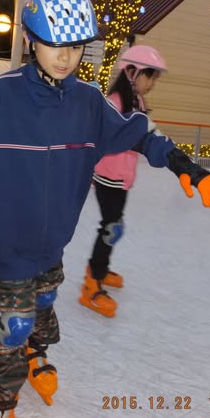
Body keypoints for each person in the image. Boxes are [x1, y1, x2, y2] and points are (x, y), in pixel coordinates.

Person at [0, 0, 210, 418]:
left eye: (75, 47)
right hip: (9, 242)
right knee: (16, 323)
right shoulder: (3, 94)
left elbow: (138, 131)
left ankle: (36, 353)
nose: (66, 57)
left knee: (44, 305)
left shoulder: (89, 102)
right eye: (54, 45)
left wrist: (184, 165)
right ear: (31, 40)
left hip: (54, 241)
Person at [79, 45, 167, 318]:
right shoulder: (115, 102)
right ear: (132, 72)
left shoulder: (137, 101)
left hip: (122, 178)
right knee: (111, 227)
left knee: (113, 226)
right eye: (150, 76)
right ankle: (91, 284)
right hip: (108, 175)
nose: (152, 84)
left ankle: (100, 269)